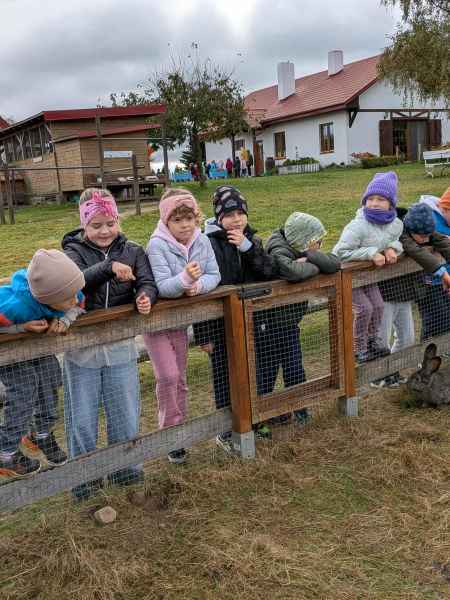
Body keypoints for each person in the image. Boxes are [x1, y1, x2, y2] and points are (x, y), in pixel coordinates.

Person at [62, 188, 157, 501]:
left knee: (125, 411)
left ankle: (126, 471)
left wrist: (145, 296)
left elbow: (147, 280)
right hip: (82, 350)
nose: (104, 231)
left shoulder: (133, 250)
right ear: (84, 225)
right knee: (82, 417)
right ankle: (85, 482)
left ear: (118, 220)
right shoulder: (72, 252)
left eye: (110, 223)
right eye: (96, 225)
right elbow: (75, 282)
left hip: (119, 346)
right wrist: (109, 267)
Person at [196, 185, 277, 450]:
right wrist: (204, 334)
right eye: (229, 215)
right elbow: (202, 290)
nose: (236, 219)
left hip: (254, 320)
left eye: (240, 213)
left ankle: (256, 416)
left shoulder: (252, 239)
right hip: (220, 324)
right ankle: (226, 426)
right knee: (224, 373)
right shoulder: (207, 243)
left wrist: (247, 247)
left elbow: (268, 271)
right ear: (219, 217)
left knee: (258, 368)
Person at [143, 188, 220, 465]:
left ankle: (179, 435)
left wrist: (198, 286)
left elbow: (214, 274)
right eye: (177, 220)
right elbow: (163, 286)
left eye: (189, 218)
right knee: (168, 376)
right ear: (166, 221)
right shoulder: (156, 245)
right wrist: (186, 279)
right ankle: (169, 434)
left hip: (179, 322)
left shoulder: (202, 240)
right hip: (156, 323)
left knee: (180, 378)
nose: (185, 225)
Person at [0, 249, 85, 482]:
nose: (74, 299)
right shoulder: (14, 307)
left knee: (50, 376)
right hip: (10, 353)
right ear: (45, 298)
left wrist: (65, 319)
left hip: (37, 347)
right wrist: (20, 328)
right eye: (67, 298)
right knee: (25, 388)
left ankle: (41, 434)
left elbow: (78, 305)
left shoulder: (69, 293)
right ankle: (5, 450)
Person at [265, 212, 340, 420]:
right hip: (268, 325)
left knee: (295, 368)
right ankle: (264, 414)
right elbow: (293, 272)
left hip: (289, 322)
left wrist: (309, 257)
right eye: (317, 242)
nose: (321, 245)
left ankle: (300, 409)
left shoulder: (298, 249)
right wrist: (315, 266)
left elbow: (335, 263)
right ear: (302, 240)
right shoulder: (278, 249)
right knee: (266, 371)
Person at [333, 171, 403, 363]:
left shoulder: (394, 224)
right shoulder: (358, 226)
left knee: (378, 306)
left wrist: (391, 248)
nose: (374, 203)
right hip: (349, 278)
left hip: (368, 277)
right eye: (370, 199)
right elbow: (339, 252)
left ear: (391, 203)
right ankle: (359, 348)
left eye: (381, 199)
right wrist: (371, 253)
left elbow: (396, 240)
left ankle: (372, 341)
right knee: (364, 309)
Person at [402, 200, 450, 343]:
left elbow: (442, 242)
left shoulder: (425, 230)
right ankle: (427, 350)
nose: (427, 239)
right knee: (434, 319)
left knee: (444, 316)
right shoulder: (404, 235)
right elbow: (416, 251)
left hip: (432, 283)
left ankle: (442, 348)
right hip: (420, 286)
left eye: (428, 235)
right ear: (411, 230)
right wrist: (442, 272)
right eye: (423, 237)